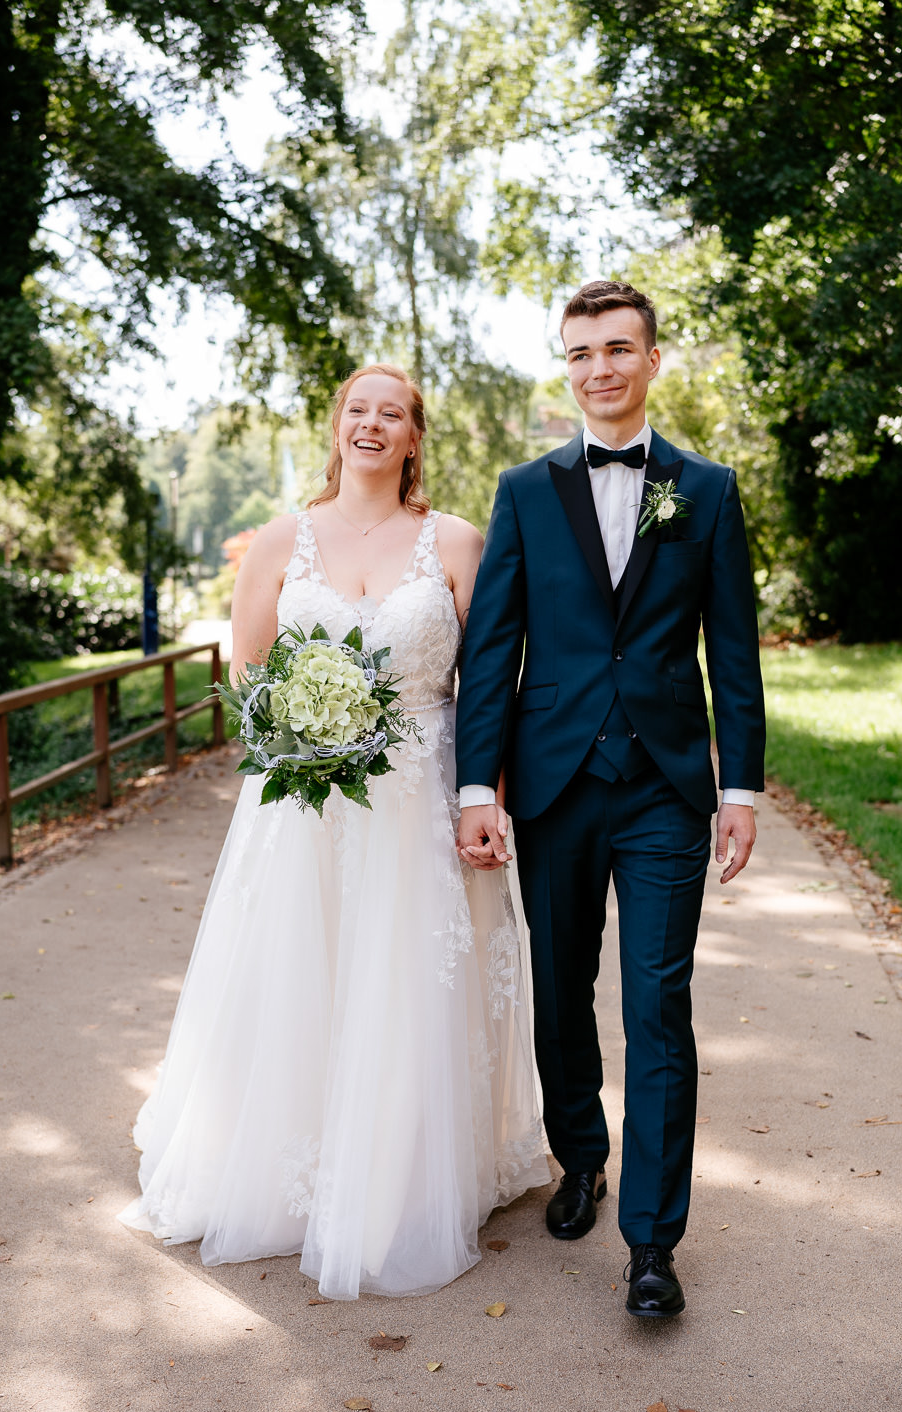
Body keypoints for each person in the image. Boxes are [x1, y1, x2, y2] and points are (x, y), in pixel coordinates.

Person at [120, 363, 550, 1300]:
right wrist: (307, 736)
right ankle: (287, 1165)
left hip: (422, 793)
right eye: (357, 409)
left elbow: (490, 689)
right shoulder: (280, 543)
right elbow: (248, 676)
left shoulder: (457, 541)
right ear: (336, 427)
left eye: (390, 413)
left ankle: (406, 1178)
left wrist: (488, 799)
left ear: (413, 437)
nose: (371, 423)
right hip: (304, 803)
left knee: (409, 981)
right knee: (302, 972)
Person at [455, 282, 765, 1319]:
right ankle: (579, 1155)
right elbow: (492, 646)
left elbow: (732, 650)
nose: (599, 367)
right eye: (580, 351)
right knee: (559, 991)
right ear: (567, 365)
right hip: (550, 783)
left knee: (657, 1008)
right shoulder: (525, 490)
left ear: (652, 360)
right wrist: (474, 785)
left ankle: (652, 1242)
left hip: (668, 789)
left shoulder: (707, 490)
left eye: (618, 348)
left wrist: (739, 787)